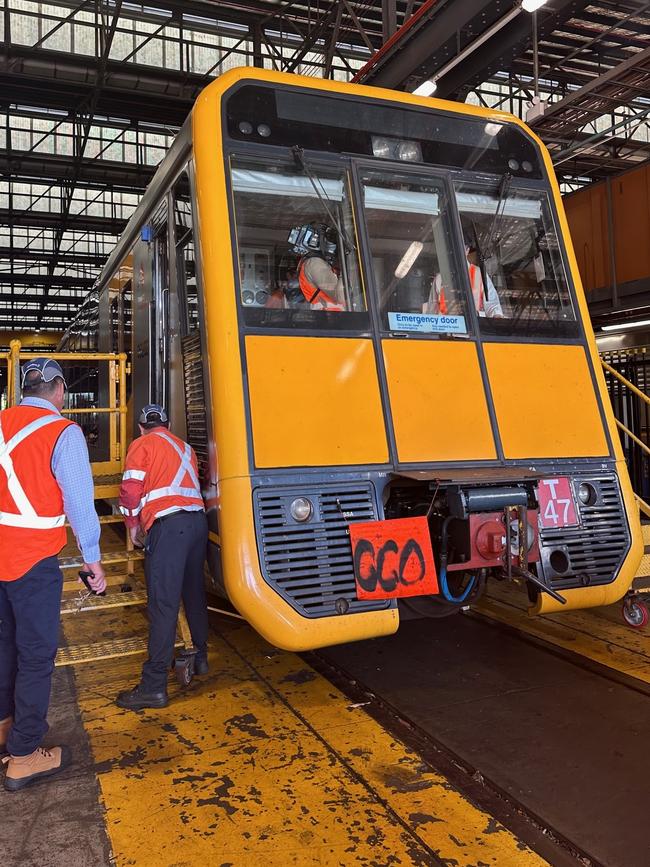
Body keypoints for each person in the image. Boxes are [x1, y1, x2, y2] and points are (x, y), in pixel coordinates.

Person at [0, 358, 105, 792]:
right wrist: (92, 559)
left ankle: (6, 731)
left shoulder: (2, 421)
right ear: (59, 389)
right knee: (37, 656)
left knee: (5, 647)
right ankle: (23, 754)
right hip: (33, 563)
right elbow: (80, 504)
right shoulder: (64, 432)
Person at [116, 404, 209, 710]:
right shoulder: (185, 448)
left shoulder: (141, 445)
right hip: (198, 524)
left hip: (170, 530)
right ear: (167, 425)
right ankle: (200, 660)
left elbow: (130, 491)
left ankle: (153, 686)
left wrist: (132, 525)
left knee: (163, 605)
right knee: (194, 594)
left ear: (142, 427)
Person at [423, 236, 504, 318]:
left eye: (460, 248)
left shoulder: (479, 274)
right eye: (454, 249)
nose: (457, 252)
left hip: (475, 327)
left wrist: (495, 318)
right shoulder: (440, 278)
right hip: (448, 328)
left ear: (467, 250)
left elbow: (493, 306)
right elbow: (431, 312)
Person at [287, 223, 346, 311]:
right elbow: (341, 296)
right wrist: (347, 264)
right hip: (335, 317)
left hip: (333, 316)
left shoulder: (312, 262)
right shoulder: (314, 263)